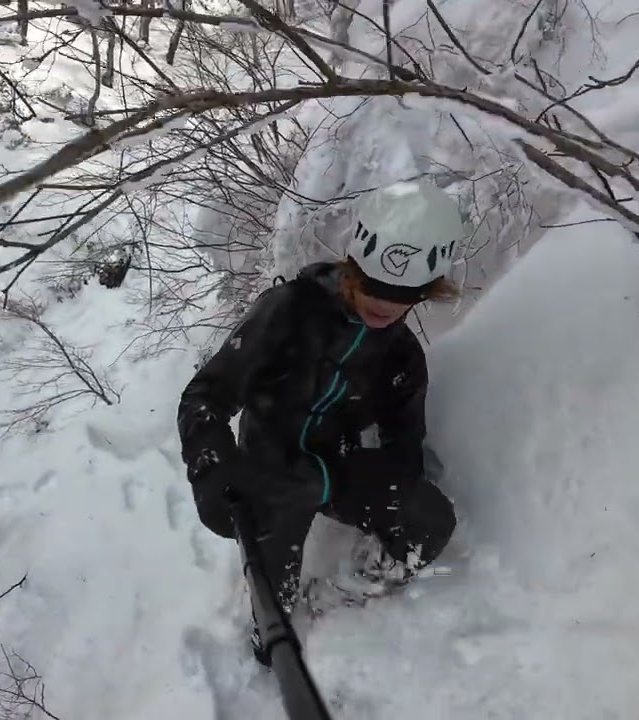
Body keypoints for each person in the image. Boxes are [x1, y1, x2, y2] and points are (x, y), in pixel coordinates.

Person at [176, 180, 463, 666]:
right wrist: (212, 465)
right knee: (273, 604)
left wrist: (388, 475)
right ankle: (272, 627)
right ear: (354, 266)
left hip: (336, 470)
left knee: (432, 522)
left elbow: (404, 442)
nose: (386, 304)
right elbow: (205, 397)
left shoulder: (402, 356)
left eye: (406, 294)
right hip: (272, 472)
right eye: (375, 285)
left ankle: (349, 587)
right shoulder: (289, 312)